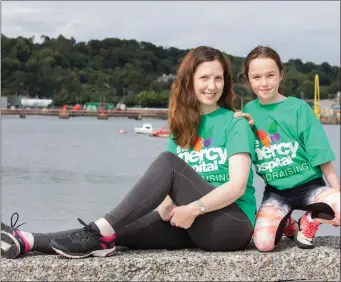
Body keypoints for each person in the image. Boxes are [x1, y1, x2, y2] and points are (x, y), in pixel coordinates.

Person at [1, 46, 257, 259]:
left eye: (218, 78)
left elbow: (236, 186)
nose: (212, 86)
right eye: (204, 78)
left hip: (229, 224)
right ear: (189, 81)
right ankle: (28, 240)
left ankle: (100, 229)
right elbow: (169, 194)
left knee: (168, 163)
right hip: (192, 223)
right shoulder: (181, 128)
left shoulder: (236, 123)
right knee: (117, 229)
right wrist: (162, 211)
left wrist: (192, 209)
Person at [235, 45, 340, 251]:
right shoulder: (248, 112)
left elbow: (322, 156)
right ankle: (287, 223)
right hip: (277, 193)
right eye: (256, 77)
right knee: (263, 244)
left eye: (270, 75)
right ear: (248, 79)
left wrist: (336, 192)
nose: (264, 83)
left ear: (281, 75)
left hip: (311, 186)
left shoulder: (299, 108)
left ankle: (310, 220)